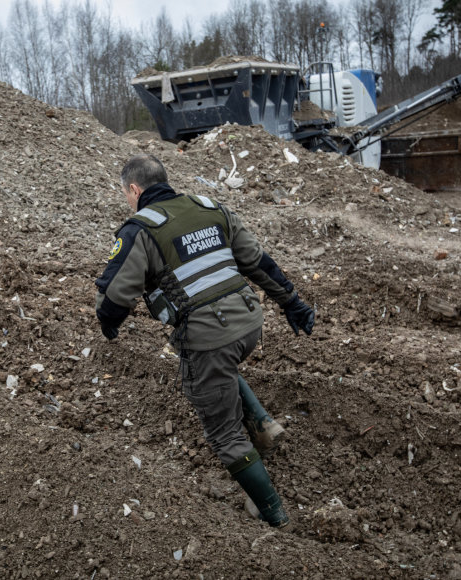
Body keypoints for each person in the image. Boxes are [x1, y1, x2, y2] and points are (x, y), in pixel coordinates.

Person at [94, 154, 315, 528]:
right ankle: (262, 423)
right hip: (248, 321)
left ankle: (273, 513)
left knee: (223, 432)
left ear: (134, 190)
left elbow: (115, 294)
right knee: (210, 359)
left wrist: (108, 322)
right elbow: (259, 262)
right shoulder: (211, 207)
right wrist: (292, 302)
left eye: (126, 195)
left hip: (211, 335)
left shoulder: (140, 229)